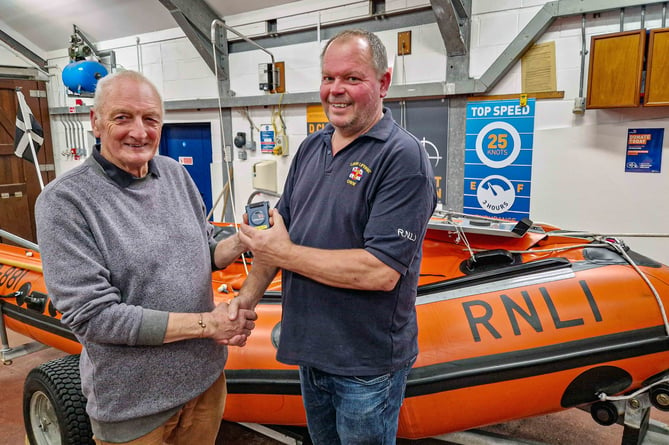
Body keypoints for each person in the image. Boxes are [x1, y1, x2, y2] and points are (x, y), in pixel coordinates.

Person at [231, 29, 437, 444]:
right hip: (312, 351)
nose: (335, 91)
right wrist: (245, 303)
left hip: (365, 364)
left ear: (382, 83)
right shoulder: (312, 148)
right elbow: (277, 236)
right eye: (328, 78)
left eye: (352, 79)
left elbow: (379, 272)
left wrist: (284, 253)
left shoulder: (402, 157)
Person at [35, 70, 257, 445]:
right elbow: (96, 318)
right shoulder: (65, 202)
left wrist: (240, 241)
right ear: (95, 122)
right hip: (134, 409)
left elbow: (202, 247)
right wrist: (208, 325)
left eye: (150, 119)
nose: (139, 131)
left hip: (204, 386)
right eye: (123, 117)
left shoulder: (173, 174)